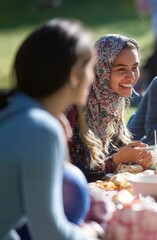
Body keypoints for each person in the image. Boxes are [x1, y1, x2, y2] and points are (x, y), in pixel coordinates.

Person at [0, 18, 100, 239]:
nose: (93, 77)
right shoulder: (39, 128)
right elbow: (49, 233)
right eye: (91, 68)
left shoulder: (15, 112)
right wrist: (97, 233)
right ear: (74, 74)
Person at [66, 34, 152, 183]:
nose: (131, 76)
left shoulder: (113, 101)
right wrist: (116, 160)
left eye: (135, 67)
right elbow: (71, 174)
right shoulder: (73, 108)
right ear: (102, 70)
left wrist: (135, 158)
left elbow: (117, 152)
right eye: (121, 69)